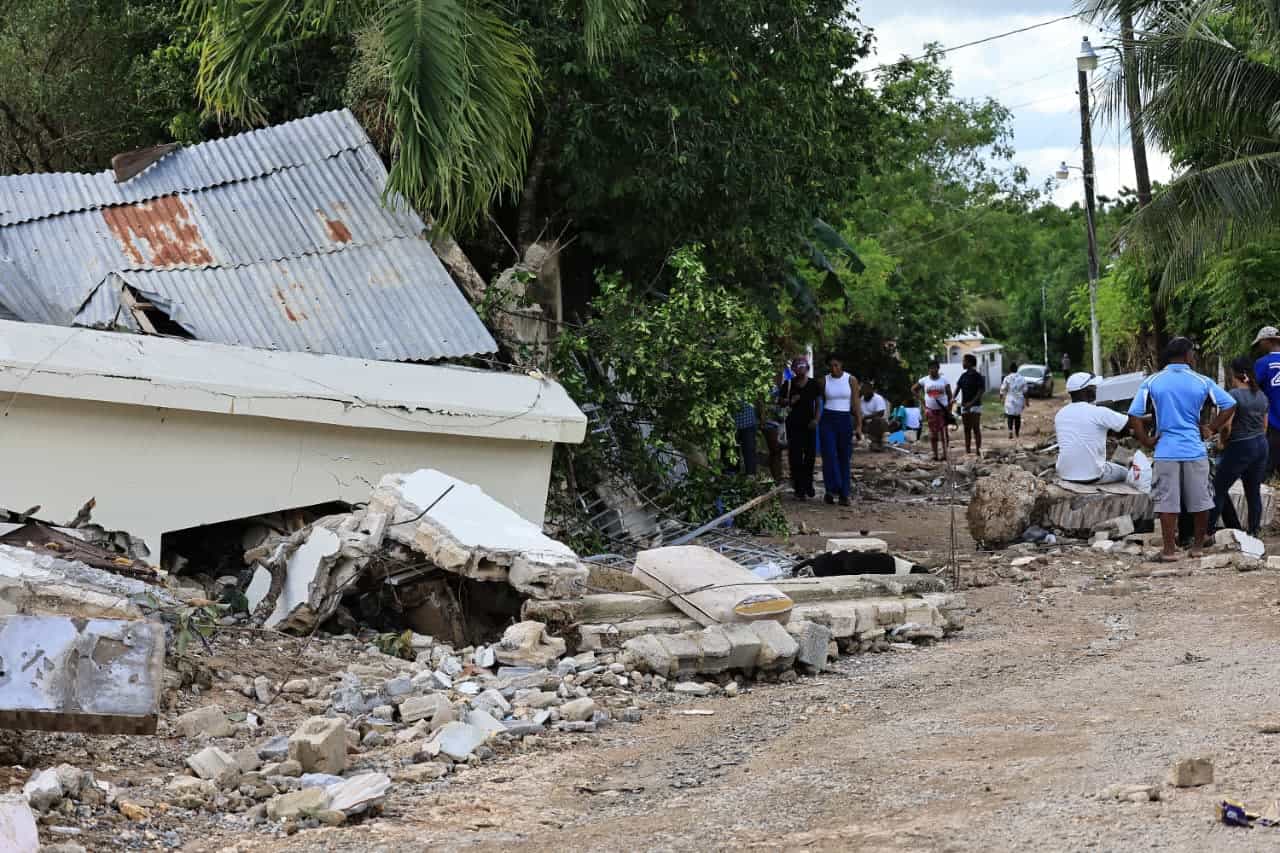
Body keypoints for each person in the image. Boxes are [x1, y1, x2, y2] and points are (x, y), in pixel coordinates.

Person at [1128, 337, 1236, 562]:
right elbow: (1229, 404)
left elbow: (1135, 415)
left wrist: (1146, 441)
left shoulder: (1153, 381)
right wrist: (1211, 428)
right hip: (1195, 450)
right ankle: (1197, 547)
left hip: (1166, 450)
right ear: (1187, 356)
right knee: (1201, 501)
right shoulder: (1201, 381)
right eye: (1193, 354)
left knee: (1167, 503)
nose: (1194, 358)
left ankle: (1169, 551)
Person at [1211, 356, 1270, 536]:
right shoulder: (1261, 395)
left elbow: (1227, 426)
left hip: (1240, 446)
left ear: (1234, 374)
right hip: (1261, 445)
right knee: (1253, 491)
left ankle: (1205, 531)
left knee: (1218, 488)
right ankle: (1254, 531)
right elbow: (1264, 426)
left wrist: (1221, 442)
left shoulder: (1233, 395)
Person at [1055, 372, 1130, 484]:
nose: (1096, 390)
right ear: (1087, 391)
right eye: (1094, 387)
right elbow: (1129, 423)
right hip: (1092, 476)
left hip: (1065, 474)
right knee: (1126, 473)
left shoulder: (1060, 414)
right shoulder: (1098, 412)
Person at [820, 354, 862, 506]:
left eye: (836, 365)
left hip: (845, 419)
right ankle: (831, 489)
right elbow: (820, 402)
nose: (834, 368)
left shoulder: (851, 380)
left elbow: (856, 403)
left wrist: (859, 425)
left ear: (841, 364)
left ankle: (844, 494)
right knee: (829, 455)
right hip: (828, 419)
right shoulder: (824, 380)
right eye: (831, 366)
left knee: (844, 456)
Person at [780, 357, 820, 500]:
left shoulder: (813, 384)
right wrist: (790, 401)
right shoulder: (788, 384)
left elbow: (818, 403)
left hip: (809, 425)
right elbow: (781, 402)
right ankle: (799, 488)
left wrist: (816, 419)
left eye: (803, 366)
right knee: (795, 457)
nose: (800, 368)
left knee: (809, 457)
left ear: (807, 368)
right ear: (794, 369)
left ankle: (808, 484)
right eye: (797, 366)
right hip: (793, 425)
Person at [1252, 325, 1280, 474]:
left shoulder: (1263, 363)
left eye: (1260, 343)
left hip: (1274, 423)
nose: (1259, 347)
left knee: (1263, 471)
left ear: (1268, 341)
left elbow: (1253, 391)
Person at [915, 362, 953, 462]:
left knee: (944, 432)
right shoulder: (924, 380)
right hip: (930, 410)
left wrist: (949, 409)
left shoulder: (944, 380)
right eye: (931, 368)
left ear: (938, 369)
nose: (933, 370)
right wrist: (922, 400)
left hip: (942, 410)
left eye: (935, 368)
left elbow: (950, 395)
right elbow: (914, 389)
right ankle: (935, 455)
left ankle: (945, 454)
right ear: (928, 369)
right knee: (933, 433)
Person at [956, 353, 986, 456]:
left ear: (969, 363)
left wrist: (971, 403)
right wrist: (952, 399)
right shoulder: (963, 376)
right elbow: (958, 387)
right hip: (965, 405)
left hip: (975, 406)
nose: (962, 363)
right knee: (966, 429)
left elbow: (981, 391)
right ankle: (968, 450)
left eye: (964, 361)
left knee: (976, 428)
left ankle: (978, 450)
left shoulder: (978, 376)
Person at [1000, 362, 1029, 440]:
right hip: (1019, 399)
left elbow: (1003, 389)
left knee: (1009, 416)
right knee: (1017, 416)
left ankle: (1010, 430)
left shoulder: (1007, 378)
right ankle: (1017, 433)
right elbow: (1025, 390)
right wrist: (1027, 401)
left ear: (1010, 369)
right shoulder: (1022, 378)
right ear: (1017, 369)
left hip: (1010, 398)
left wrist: (1001, 397)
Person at [859, 380, 889, 451]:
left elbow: (881, 413)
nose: (865, 392)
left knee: (878, 420)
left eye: (867, 390)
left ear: (871, 390)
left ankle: (877, 442)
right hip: (866, 424)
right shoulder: (861, 399)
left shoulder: (878, 398)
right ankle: (874, 442)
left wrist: (865, 417)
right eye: (863, 390)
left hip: (878, 424)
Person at [732, 401, 759, 476]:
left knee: (749, 452)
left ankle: (751, 476)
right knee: (731, 454)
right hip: (730, 424)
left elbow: (760, 397)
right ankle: (731, 477)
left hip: (748, 422)